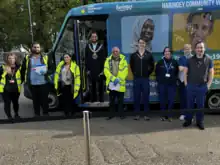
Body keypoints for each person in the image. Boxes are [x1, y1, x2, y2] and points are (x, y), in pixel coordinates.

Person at [183, 41, 214, 130]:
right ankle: (188, 120)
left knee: (200, 105)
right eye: (198, 48)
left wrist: (208, 85)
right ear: (195, 49)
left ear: (204, 49)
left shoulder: (208, 59)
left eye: (201, 47)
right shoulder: (190, 60)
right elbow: (185, 72)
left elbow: (211, 72)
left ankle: (199, 121)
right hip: (191, 86)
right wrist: (186, 84)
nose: (200, 49)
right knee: (190, 104)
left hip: (202, 86)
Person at [21, 42, 54, 117]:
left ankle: (45, 113)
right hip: (32, 83)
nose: (36, 49)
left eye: (38, 47)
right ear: (32, 48)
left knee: (44, 99)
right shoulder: (27, 58)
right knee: (35, 100)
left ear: (40, 48)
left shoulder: (45, 57)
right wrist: (23, 81)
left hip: (44, 82)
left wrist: (46, 72)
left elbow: (52, 68)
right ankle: (37, 114)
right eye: (34, 47)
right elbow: (23, 70)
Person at [130, 38, 154, 121]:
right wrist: (135, 73)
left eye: (143, 43)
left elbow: (152, 66)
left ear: (145, 44)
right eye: (140, 43)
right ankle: (136, 114)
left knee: (145, 96)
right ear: (138, 44)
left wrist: (147, 73)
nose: (141, 44)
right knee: (136, 96)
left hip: (145, 79)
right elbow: (132, 66)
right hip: (136, 79)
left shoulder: (149, 54)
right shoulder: (133, 55)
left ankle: (146, 114)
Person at [104, 47, 128, 120]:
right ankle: (111, 115)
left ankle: (121, 115)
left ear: (119, 52)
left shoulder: (123, 60)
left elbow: (125, 71)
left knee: (120, 101)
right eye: (114, 51)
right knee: (112, 101)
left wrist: (119, 79)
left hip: (120, 84)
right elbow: (106, 71)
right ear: (112, 52)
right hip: (112, 84)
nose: (115, 53)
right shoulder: (108, 60)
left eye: (117, 51)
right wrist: (113, 79)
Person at [156, 47, 179, 121]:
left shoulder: (175, 62)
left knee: (171, 100)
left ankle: (169, 115)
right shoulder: (160, 62)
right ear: (164, 53)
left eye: (168, 51)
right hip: (162, 85)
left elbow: (176, 73)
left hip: (172, 85)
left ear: (171, 53)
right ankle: (163, 115)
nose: (167, 52)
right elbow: (157, 72)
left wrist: (174, 80)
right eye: (165, 51)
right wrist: (159, 81)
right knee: (162, 100)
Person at [85, 31, 106, 103]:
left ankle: (101, 100)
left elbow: (103, 58)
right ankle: (93, 100)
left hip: (99, 68)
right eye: (92, 36)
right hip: (91, 69)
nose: (94, 38)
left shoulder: (101, 46)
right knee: (92, 86)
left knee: (100, 86)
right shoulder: (88, 46)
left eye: (95, 36)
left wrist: (103, 69)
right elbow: (86, 58)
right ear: (91, 38)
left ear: (97, 37)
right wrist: (87, 69)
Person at [0, 53, 22, 121]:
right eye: (9, 58)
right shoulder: (3, 67)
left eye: (13, 58)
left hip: (15, 88)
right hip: (5, 89)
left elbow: (23, 76)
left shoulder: (19, 67)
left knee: (15, 102)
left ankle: (16, 114)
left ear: (15, 59)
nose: (11, 60)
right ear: (7, 59)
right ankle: (9, 116)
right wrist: (5, 72)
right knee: (7, 103)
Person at [178, 44, 193, 120]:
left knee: (190, 99)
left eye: (188, 48)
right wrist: (189, 68)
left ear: (191, 49)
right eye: (185, 49)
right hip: (182, 81)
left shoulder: (194, 58)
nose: (187, 50)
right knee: (183, 98)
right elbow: (180, 69)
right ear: (183, 50)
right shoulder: (181, 58)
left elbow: (195, 70)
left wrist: (185, 68)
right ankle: (183, 114)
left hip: (191, 81)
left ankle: (189, 115)